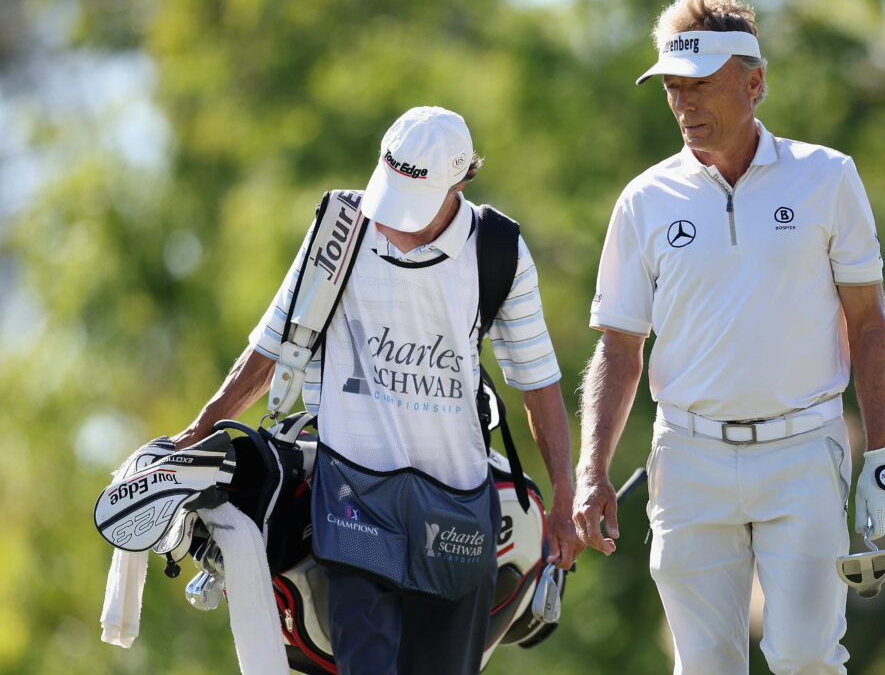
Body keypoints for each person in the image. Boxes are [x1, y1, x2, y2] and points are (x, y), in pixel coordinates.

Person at [172, 106, 582, 675]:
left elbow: (538, 382)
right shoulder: (339, 233)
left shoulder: (499, 250)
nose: (392, 219)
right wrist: (199, 430)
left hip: (459, 508)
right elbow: (272, 347)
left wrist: (565, 494)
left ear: (460, 181)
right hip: (353, 503)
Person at [572, 0, 885, 675]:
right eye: (671, 87)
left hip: (803, 452)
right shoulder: (644, 200)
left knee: (807, 657)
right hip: (689, 456)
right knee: (707, 665)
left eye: (699, 85)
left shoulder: (827, 178)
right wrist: (590, 471)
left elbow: (868, 325)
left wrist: (883, 454)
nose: (683, 104)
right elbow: (619, 347)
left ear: (754, 84)